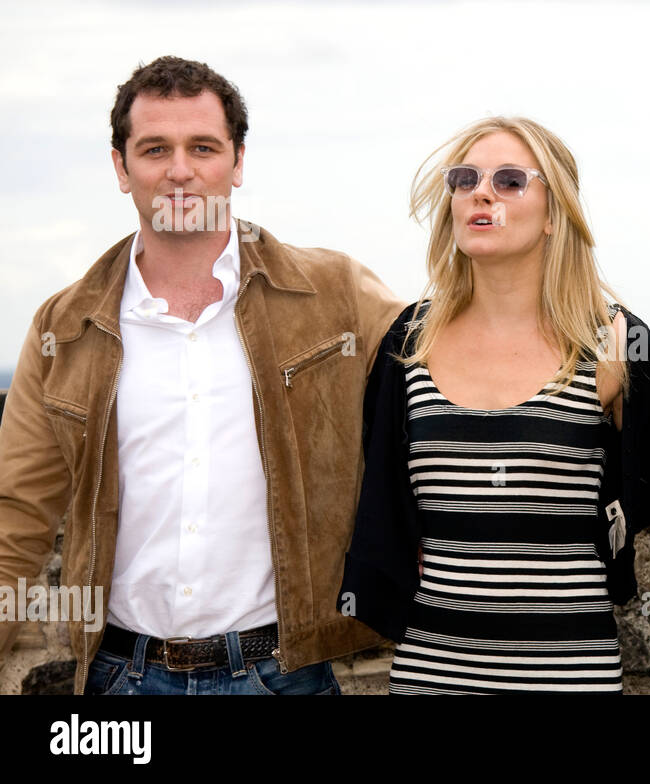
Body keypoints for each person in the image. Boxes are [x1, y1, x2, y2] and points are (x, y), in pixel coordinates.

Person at [0, 56, 405, 694]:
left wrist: (603, 343)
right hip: (121, 679)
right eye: (155, 148)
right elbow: (17, 517)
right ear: (120, 166)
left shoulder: (335, 295)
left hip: (286, 674)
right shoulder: (64, 327)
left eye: (204, 147)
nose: (180, 171)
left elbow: (451, 353)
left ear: (237, 162)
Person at [338, 117, 650, 694]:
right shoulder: (408, 344)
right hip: (431, 674)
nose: (481, 193)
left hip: (570, 678)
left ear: (554, 213)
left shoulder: (613, 343)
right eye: (464, 179)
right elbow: (382, 494)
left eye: (511, 180)